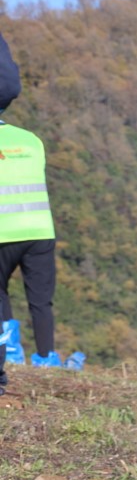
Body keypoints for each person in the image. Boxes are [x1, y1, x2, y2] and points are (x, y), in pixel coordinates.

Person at [0, 26, 61, 396]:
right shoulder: (31, 140)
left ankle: (8, 348)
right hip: (39, 231)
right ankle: (46, 357)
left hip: (2, 232)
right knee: (41, 300)